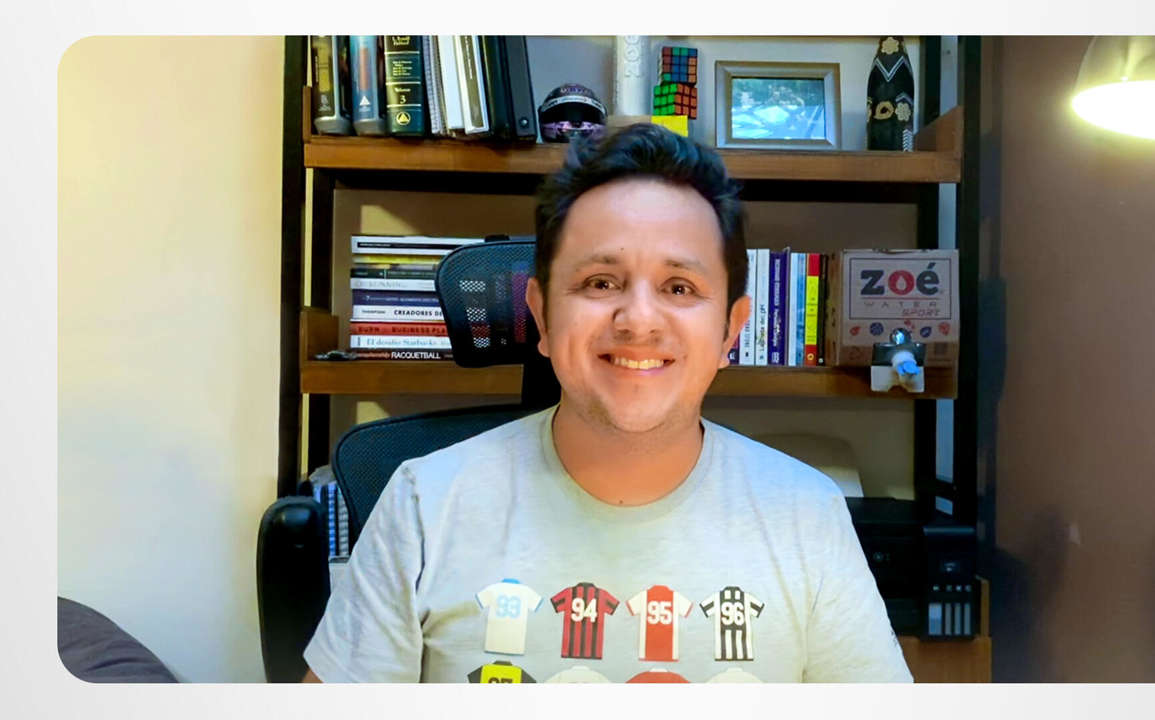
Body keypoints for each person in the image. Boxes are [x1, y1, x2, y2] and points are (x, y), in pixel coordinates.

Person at [302, 124, 911, 683]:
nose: (638, 320)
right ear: (542, 316)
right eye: (600, 282)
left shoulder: (808, 517)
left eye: (679, 287)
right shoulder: (422, 507)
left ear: (731, 330)